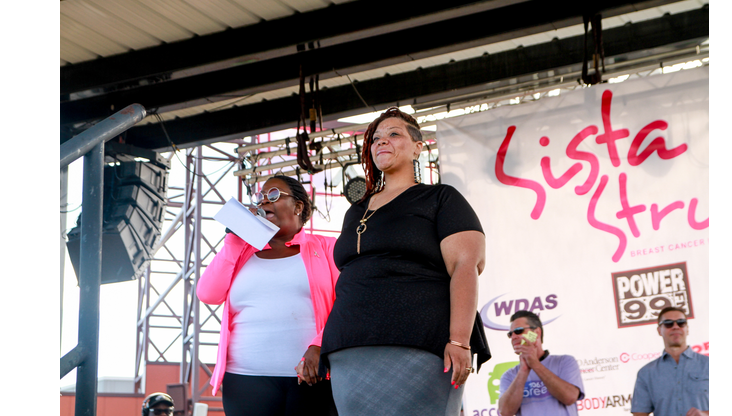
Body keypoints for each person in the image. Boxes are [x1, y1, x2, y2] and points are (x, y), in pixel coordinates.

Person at [320, 106, 491, 415]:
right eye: (375, 138)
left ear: (418, 147)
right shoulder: (355, 210)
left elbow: (466, 267)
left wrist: (460, 340)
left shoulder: (440, 198)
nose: (381, 142)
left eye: (394, 134)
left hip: (420, 340)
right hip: (349, 344)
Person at [196, 175, 339, 416]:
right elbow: (207, 293)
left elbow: (347, 302)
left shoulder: (326, 247)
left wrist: (319, 345)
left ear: (298, 206)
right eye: (260, 197)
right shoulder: (241, 252)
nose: (263, 202)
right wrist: (233, 240)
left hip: (311, 379)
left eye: (273, 195)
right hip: (244, 380)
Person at [498, 310, 584, 416]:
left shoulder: (564, 362)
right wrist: (523, 370)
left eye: (518, 331)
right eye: (510, 334)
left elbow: (570, 397)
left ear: (536, 333)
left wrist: (534, 364)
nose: (513, 337)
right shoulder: (509, 375)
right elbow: (505, 412)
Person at [631, 307, 709, 416]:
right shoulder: (646, 373)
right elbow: (639, 414)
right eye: (668, 323)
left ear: (687, 329)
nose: (675, 327)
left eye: (681, 323)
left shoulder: (708, 365)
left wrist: (706, 414)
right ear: (659, 330)